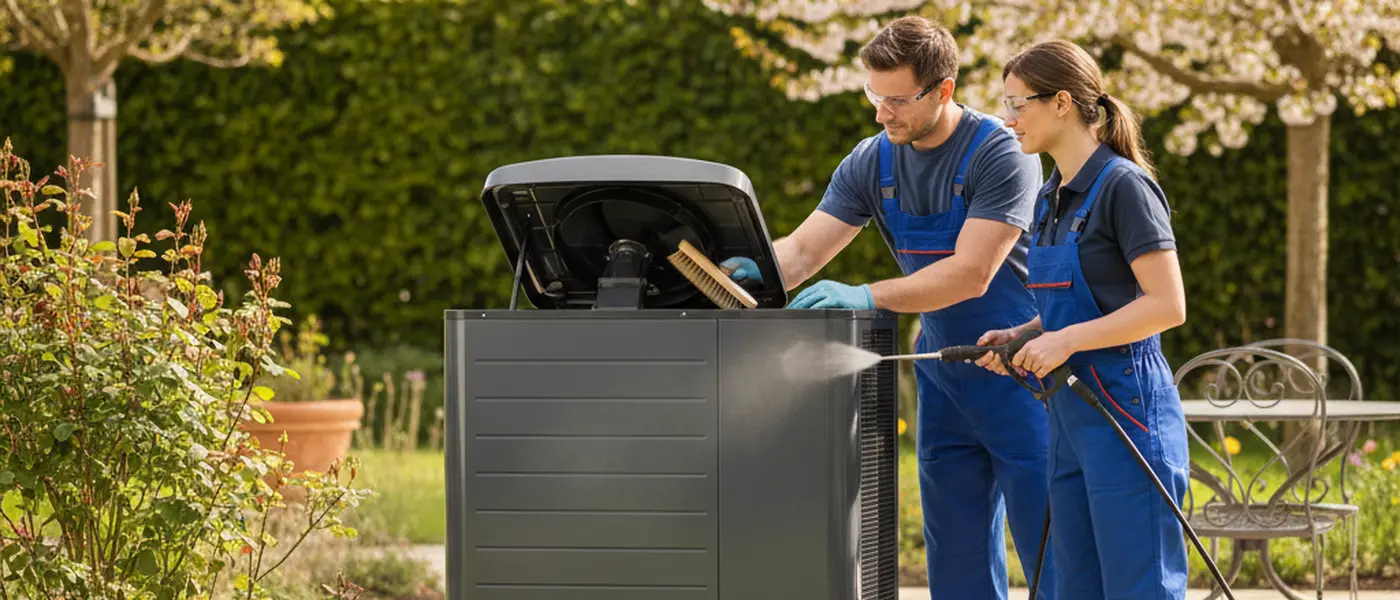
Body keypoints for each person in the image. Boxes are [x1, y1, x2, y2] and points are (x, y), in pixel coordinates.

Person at [720, 16, 1056, 600]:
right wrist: (757, 265)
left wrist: (867, 295)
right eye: (873, 95)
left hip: (1021, 368)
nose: (882, 113)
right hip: (942, 372)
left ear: (943, 89)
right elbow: (801, 252)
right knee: (955, 559)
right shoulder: (871, 160)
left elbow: (973, 273)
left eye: (896, 99)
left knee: (1051, 549)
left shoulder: (1002, 152)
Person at [973, 39, 1191, 599]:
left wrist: (1064, 340)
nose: (1008, 118)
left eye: (1018, 104)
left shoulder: (1125, 187)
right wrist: (1024, 335)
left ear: (1063, 102)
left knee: (1137, 583)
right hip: (1069, 417)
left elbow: (1166, 305)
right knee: (1075, 585)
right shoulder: (1051, 196)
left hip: (1127, 411)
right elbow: (1077, 303)